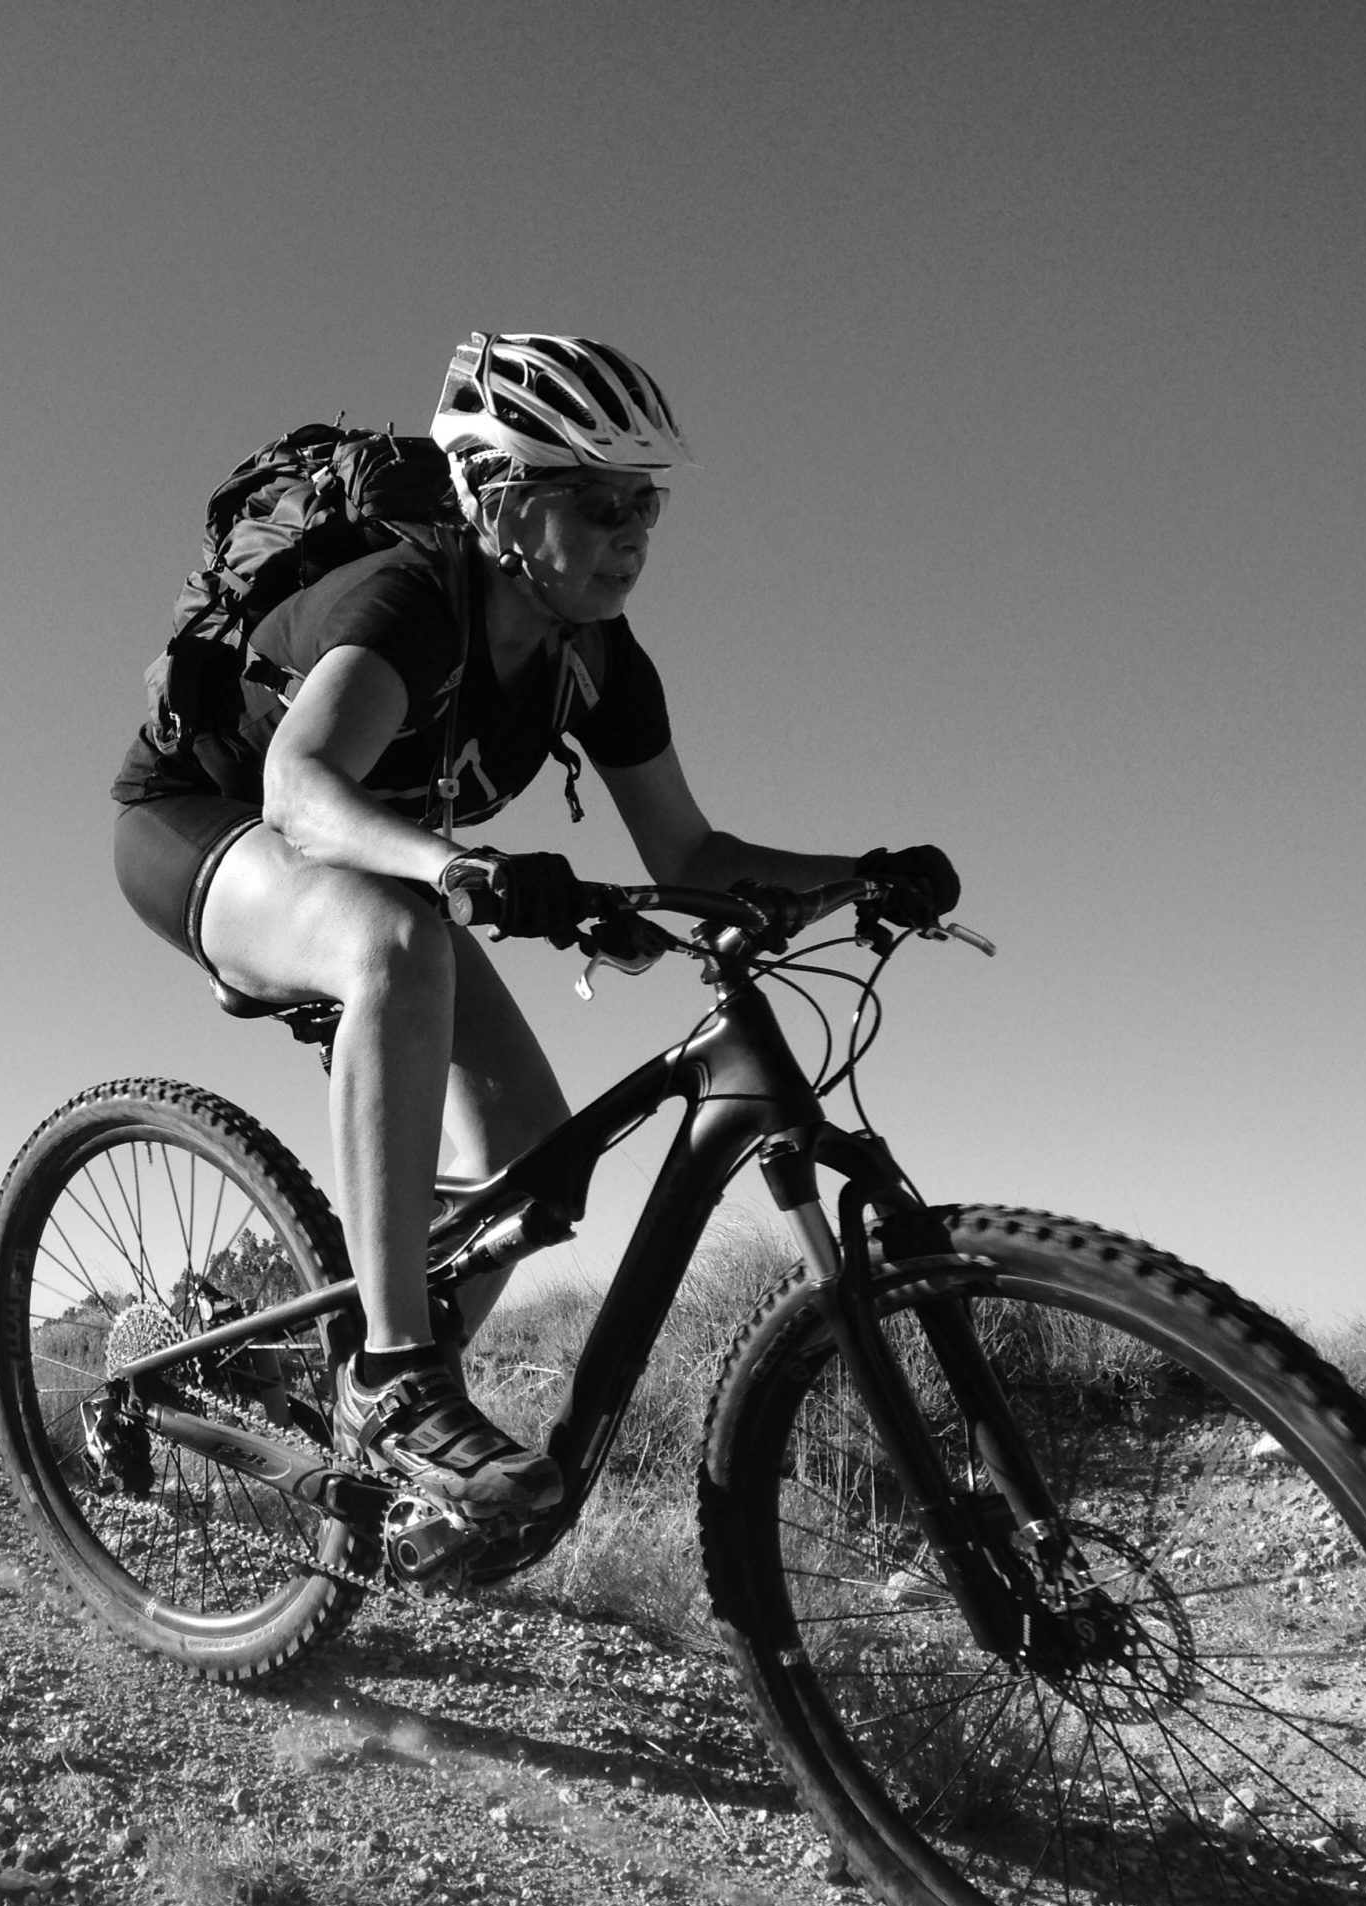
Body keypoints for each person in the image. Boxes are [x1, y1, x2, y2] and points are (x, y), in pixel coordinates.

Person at [111, 331, 958, 1519]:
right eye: (597, 501)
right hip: (203, 824)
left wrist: (862, 870)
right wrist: (467, 870)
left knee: (534, 1172)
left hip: (386, 868)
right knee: (392, 947)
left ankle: (320, 1388)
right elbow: (299, 791)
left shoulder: (599, 659)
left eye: (646, 506)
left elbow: (693, 856)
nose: (631, 533)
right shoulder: (411, 598)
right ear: (502, 504)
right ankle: (393, 1378)